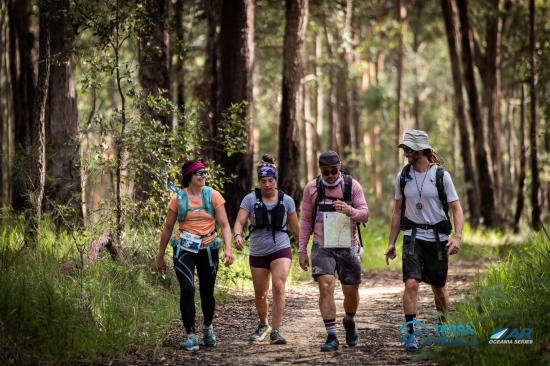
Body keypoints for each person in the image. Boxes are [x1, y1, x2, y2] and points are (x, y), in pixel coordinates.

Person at [384, 130, 464, 350]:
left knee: (439, 287)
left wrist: (457, 237)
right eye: (404, 149)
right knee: (411, 283)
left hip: (437, 239)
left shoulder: (441, 176)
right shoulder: (403, 176)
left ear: (421, 150)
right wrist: (392, 242)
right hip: (412, 237)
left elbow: (456, 209)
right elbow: (397, 211)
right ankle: (411, 334)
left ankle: (442, 326)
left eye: (408, 149)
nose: (405, 153)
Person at [157, 160, 234, 351]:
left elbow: (224, 225)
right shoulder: (178, 199)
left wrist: (228, 249)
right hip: (184, 249)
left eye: (204, 172)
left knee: (207, 292)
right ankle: (190, 336)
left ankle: (207, 327)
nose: (203, 175)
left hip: (208, 250)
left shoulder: (213, 195)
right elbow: (167, 228)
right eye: (199, 173)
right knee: (187, 288)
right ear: (189, 177)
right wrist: (160, 255)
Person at [298, 150, 370, 351]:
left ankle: (349, 321)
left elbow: (365, 215)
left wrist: (350, 211)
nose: (330, 175)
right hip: (322, 245)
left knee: (351, 292)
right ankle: (331, 335)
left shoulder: (351, 186)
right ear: (320, 170)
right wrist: (302, 250)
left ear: (340, 168)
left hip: (349, 245)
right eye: (326, 171)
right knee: (326, 285)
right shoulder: (311, 189)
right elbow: (305, 221)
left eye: (334, 171)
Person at [233, 154, 300, 344]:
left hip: (280, 246)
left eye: (271, 180)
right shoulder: (250, 199)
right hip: (258, 249)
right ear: (259, 181)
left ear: (275, 180)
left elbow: (295, 228)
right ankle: (264, 323)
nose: (267, 185)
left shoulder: (286, 200)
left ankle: (276, 331)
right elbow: (239, 222)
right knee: (261, 294)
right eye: (263, 181)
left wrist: (304, 250)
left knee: (278, 286)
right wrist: (238, 236)